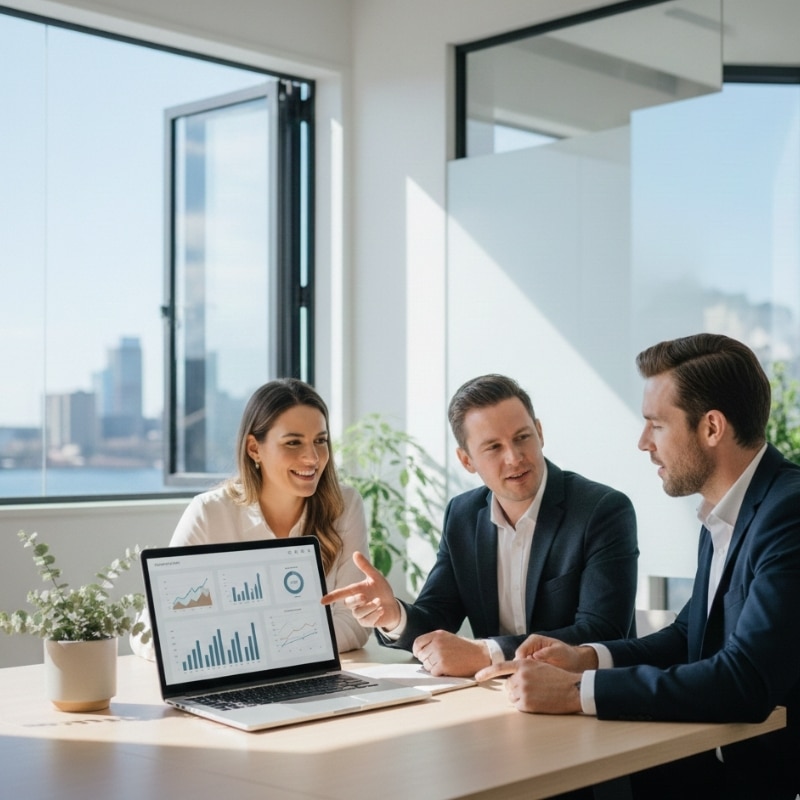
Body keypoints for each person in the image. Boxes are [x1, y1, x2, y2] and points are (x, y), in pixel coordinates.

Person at [476, 334, 800, 799]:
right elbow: (686, 637)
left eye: (656, 425)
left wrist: (575, 692)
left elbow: (744, 681)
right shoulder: (727, 511)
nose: (643, 442)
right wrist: (585, 658)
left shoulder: (788, 513)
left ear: (711, 428)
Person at [321, 374, 639, 677]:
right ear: (466, 460)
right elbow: (436, 618)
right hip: (498, 697)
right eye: (494, 447)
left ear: (540, 433)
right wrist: (393, 615)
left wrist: (487, 653)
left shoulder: (602, 511)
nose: (514, 458)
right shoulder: (463, 514)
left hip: (582, 697)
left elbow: (602, 633)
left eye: (522, 438)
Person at [132, 378, 369, 656]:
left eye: (320, 441)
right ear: (254, 448)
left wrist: (249, 644)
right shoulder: (210, 513)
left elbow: (355, 623)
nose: (312, 458)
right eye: (293, 443)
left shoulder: (344, 504)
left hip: (313, 676)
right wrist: (270, 645)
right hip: (234, 678)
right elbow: (149, 633)